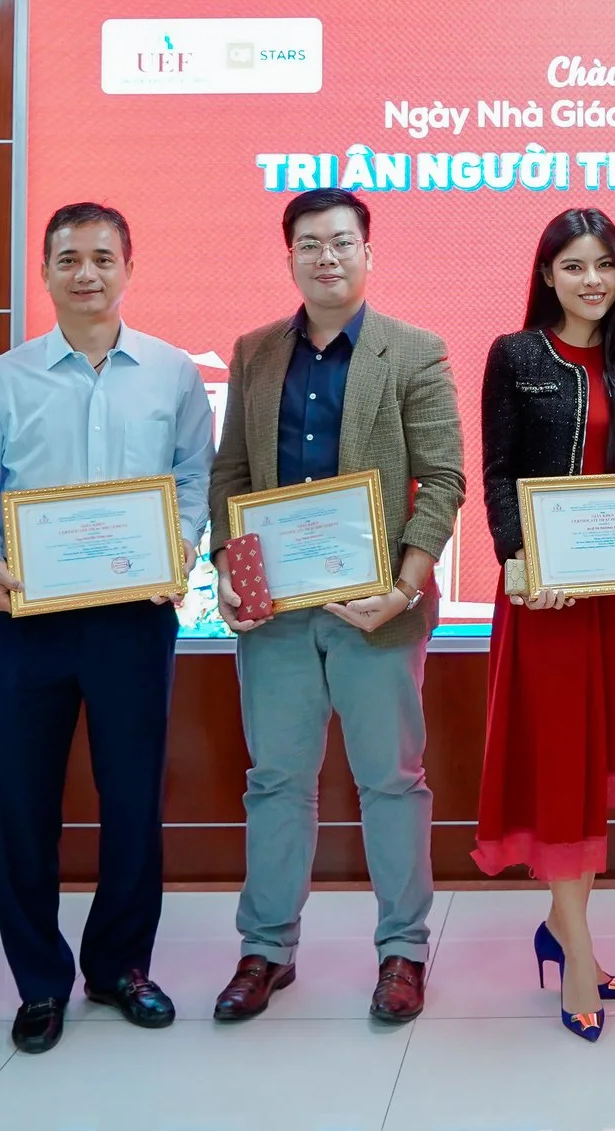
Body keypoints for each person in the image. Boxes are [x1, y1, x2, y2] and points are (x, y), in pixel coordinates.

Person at [0, 202, 213, 1055]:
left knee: (134, 800)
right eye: (68, 258)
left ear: (130, 266)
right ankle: (39, 982)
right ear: (46, 271)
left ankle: (122, 965)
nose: (86, 273)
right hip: (33, 618)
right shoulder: (4, 378)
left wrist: (177, 548)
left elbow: (193, 483)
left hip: (134, 620)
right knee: (25, 803)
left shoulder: (171, 373)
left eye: (102, 257)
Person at [207, 188, 466, 1026]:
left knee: (390, 780)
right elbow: (230, 478)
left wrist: (406, 583)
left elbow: (444, 480)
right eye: (310, 244)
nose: (327, 257)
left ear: (367, 252)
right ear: (289, 256)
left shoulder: (413, 352)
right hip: (276, 612)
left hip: (377, 607)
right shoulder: (253, 353)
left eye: (342, 242)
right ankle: (267, 949)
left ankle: (403, 951)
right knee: (276, 779)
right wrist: (228, 567)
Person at [473, 209, 615, 1043]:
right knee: (560, 767)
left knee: (594, 768)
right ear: (547, 275)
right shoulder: (517, 356)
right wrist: (521, 560)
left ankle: (562, 931)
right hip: (547, 600)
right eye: (573, 265)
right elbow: (496, 471)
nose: (591, 280)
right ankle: (580, 953)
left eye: (604, 265)